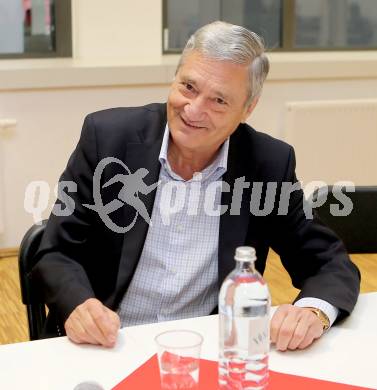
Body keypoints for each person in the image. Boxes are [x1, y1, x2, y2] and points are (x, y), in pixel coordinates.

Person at [32, 21, 360, 351]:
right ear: (173, 79)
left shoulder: (267, 164)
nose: (194, 109)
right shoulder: (108, 139)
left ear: (248, 109)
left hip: (206, 351)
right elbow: (55, 251)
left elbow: (328, 262)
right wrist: (78, 305)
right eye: (189, 87)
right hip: (107, 345)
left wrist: (313, 311)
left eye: (219, 100)